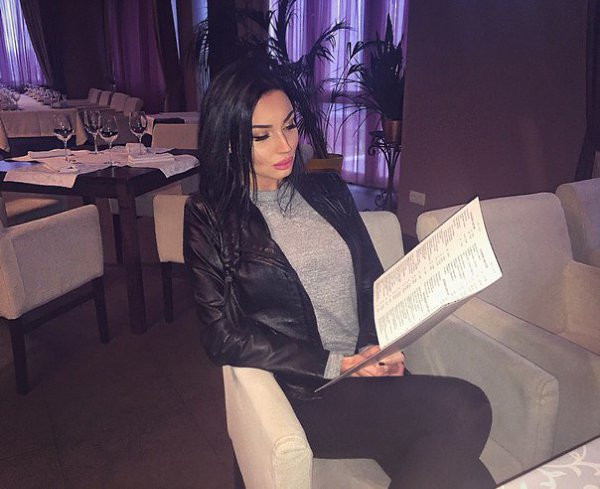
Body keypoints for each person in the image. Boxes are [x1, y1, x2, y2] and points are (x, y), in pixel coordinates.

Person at [184, 58, 496, 489]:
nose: (286, 145)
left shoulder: (327, 189)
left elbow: (371, 280)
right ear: (230, 141)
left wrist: (375, 348)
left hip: (364, 374)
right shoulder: (210, 216)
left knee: (470, 477)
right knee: (468, 407)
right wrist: (335, 364)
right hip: (306, 391)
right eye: (262, 136)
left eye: (290, 126)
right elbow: (221, 335)